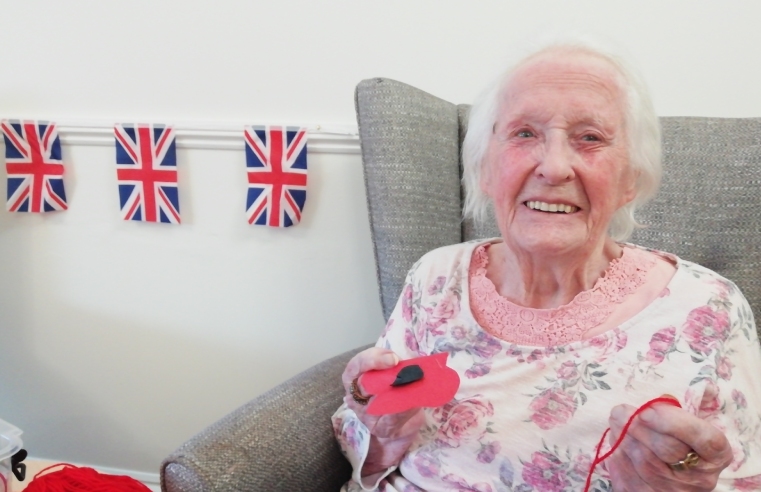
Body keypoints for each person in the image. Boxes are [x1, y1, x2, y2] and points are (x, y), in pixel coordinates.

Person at [333, 39, 761, 492]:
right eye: (524, 133)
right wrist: (378, 427)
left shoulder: (708, 308)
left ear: (631, 177)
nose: (554, 167)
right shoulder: (434, 278)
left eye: (590, 138)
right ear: (485, 167)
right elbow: (367, 450)